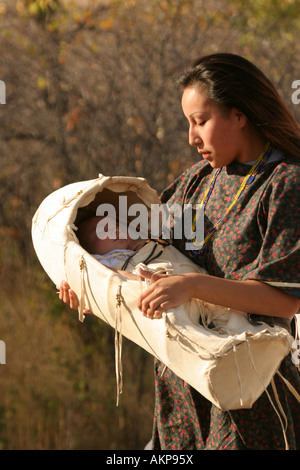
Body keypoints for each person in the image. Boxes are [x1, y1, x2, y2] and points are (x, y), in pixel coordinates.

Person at [60, 53, 300, 450]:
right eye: (188, 123)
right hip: (180, 389)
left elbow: (285, 301)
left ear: (239, 115)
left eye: (200, 121)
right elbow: (140, 256)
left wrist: (191, 285)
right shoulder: (197, 182)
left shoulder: (285, 184)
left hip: (251, 390)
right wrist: (91, 284)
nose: (192, 137)